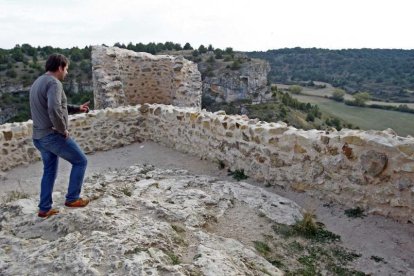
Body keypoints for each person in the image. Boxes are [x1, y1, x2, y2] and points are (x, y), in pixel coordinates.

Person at [30, 53, 90, 218]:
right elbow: (54, 109)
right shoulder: (54, 83)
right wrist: (62, 129)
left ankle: (44, 208)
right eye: (66, 69)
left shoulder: (38, 82)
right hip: (52, 135)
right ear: (60, 67)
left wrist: (77, 108)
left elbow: (57, 106)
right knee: (81, 161)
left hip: (38, 136)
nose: (67, 73)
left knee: (49, 171)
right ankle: (72, 198)